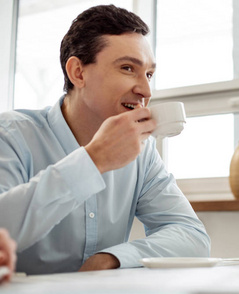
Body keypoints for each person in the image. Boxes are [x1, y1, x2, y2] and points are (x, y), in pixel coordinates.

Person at [0, 5, 210, 275]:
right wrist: (92, 160)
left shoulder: (141, 153)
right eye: (127, 68)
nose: (145, 90)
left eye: (148, 74)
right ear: (78, 72)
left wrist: (112, 258)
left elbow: (191, 236)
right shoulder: (12, 135)